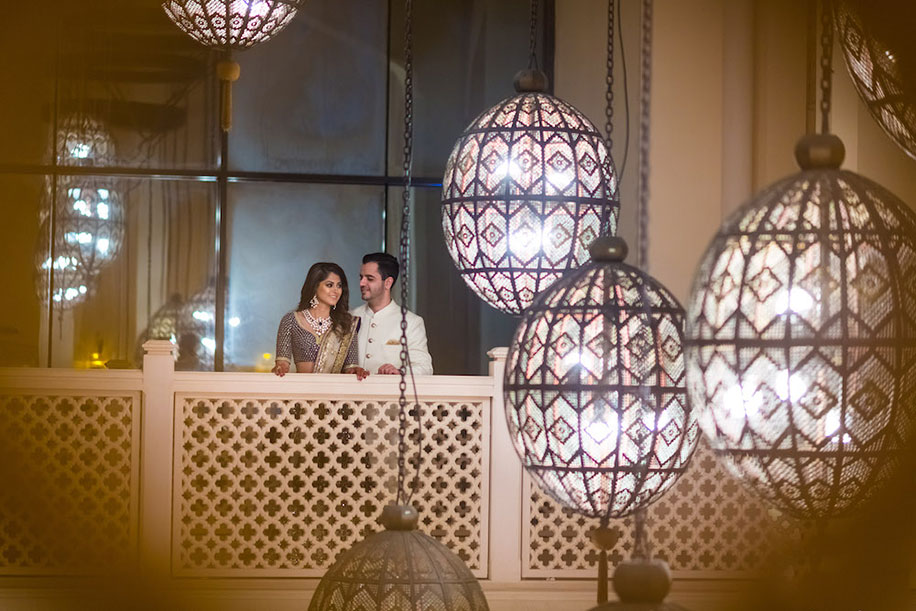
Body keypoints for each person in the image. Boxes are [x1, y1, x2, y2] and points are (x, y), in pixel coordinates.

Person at [273, 262, 369, 379]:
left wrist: (356, 370)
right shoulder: (291, 320)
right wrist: (280, 368)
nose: (336, 291)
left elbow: (350, 367)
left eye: (339, 286)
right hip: (302, 388)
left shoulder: (346, 324)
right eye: (329, 285)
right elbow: (282, 363)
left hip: (333, 389)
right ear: (314, 286)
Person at [352, 253, 433, 375]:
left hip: (388, 387)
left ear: (388, 283)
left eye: (370, 278)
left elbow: (425, 368)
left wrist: (399, 372)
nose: (362, 283)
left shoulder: (410, 322)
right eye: (361, 277)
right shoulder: (349, 317)